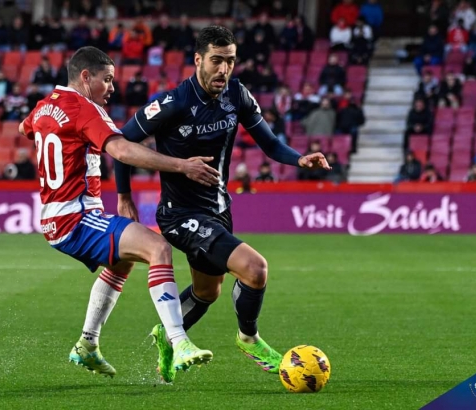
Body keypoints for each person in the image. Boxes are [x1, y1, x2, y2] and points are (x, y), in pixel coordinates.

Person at [112, 26, 330, 383]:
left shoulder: (237, 96)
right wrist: (124, 196)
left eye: (229, 61)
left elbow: (271, 144)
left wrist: (299, 159)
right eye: (216, 60)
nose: (223, 69)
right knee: (255, 269)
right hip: (180, 215)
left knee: (206, 292)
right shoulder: (173, 103)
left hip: (218, 210)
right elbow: (120, 145)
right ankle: (249, 338)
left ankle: (167, 336)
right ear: (198, 60)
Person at [18, 46, 220, 378]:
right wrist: (182, 165)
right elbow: (122, 150)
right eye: (107, 80)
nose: (112, 88)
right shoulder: (86, 109)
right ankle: (180, 341)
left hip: (55, 217)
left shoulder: (44, 107)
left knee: (122, 259)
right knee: (158, 248)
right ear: (85, 77)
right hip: (77, 217)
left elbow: (25, 129)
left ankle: (88, 344)